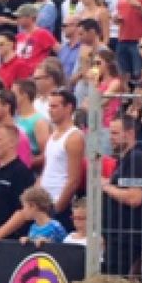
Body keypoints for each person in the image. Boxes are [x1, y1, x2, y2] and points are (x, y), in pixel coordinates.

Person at [101, 115, 142, 281]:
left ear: (129, 133)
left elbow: (135, 197)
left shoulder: (137, 159)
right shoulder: (124, 160)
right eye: (110, 134)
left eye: (115, 133)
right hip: (116, 237)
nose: (111, 138)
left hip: (127, 239)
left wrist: (107, 187)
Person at [39, 89, 85, 232]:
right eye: (49, 107)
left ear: (68, 108)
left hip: (58, 203)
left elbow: (73, 180)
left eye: (55, 106)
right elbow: (47, 170)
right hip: (44, 202)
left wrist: (56, 210)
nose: (50, 111)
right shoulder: (53, 135)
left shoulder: (74, 137)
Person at [13, 4, 59, 76]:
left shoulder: (42, 33)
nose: (17, 19)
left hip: (35, 75)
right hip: (20, 74)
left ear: (31, 18)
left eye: (20, 17)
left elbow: (59, 50)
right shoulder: (19, 36)